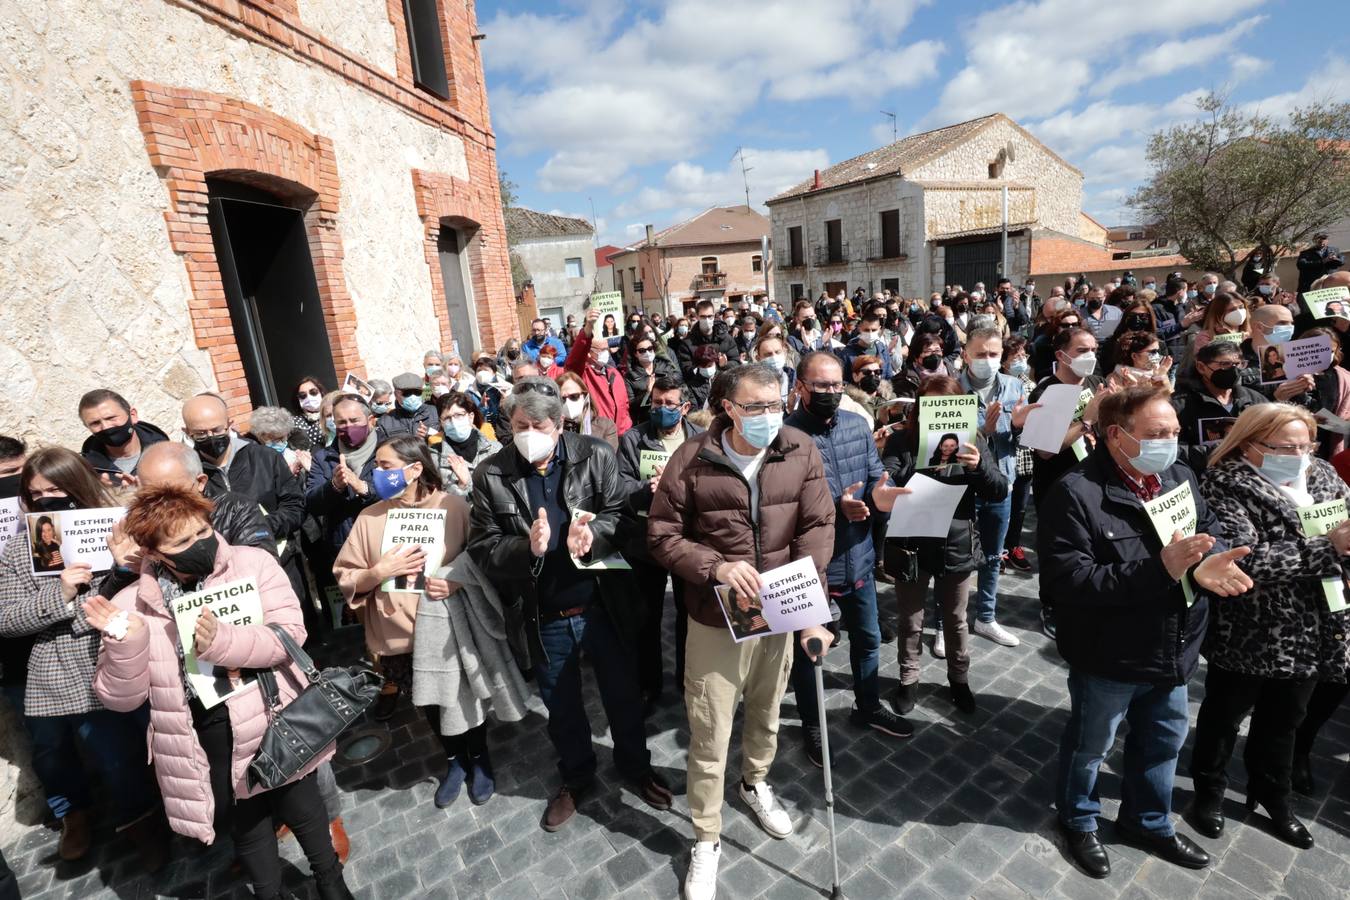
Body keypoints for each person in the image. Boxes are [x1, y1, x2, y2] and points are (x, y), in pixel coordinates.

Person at [85, 485, 354, 900]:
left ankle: (331, 883)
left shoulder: (253, 562)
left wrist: (223, 642)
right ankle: (270, 893)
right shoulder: (131, 603)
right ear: (155, 554)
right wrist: (126, 642)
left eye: (202, 531)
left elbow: (290, 636)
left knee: (305, 809)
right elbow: (120, 698)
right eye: (182, 542)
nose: (199, 544)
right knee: (248, 824)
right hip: (207, 731)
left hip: (273, 712)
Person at [1039, 384, 1253, 880]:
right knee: (1092, 745)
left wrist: (1207, 557)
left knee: (1163, 741)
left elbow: (1210, 522)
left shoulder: (1178, 474)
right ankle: (1079, 819)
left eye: (1175, 432)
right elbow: (1068, 581)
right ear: (1117, 435)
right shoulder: (1076, 492)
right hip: (1110, 653)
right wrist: (1159, 569)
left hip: (1175, 646)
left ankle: (1148, 821)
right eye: (1157, 434)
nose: (1171, 443)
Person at [648, 362, 835, 900]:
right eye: (756, 407)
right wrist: (716, 568)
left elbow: (818, 525)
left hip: (779, 610)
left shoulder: (798, 448)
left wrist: (808, 603)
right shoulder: (691, 459)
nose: (770, 416)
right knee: (709, 729)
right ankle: (706, 837)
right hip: (714, 618)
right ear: (727, 408)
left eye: (775, 404)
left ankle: (755, 782)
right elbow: (661, 535)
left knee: (767, 709)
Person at [129, 440, 349, 862]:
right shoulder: (141, 540)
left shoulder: (235, 509)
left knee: (304, 752)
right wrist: (132, 566)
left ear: (196, 481)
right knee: (240, 780)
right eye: (147, 492)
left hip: (261, 668)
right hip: (206, 692)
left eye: (170, 490)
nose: (161, 502)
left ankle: (329, 819)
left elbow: (257, 577)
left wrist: (202, 575)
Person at [467, 386, 672, 832]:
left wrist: (594, 535)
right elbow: (483, 547)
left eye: (538, 426)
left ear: (560, 425)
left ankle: (636, 766)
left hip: (602, 603)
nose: (528, 435)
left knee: (623, 695)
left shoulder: (594, 455)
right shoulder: (491, 474)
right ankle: (577, 777)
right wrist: (527, 548)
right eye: (519, 426)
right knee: (562, 707)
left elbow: (620, 512)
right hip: (544, 614)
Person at [1186, 404, 1350, 849]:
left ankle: (1274, 798)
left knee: (1285, 722)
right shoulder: (1225, 484)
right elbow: (1246, 559)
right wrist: (1328, 548)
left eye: (1306, 445)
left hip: (1316, 628)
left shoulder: (1322, 475)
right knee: (1224, 718)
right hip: (1251, 630)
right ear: (1250, 444)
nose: (1298, 455)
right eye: (1284, 447)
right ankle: (1209, 792)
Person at [335, 435, 525, 807]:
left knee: (462, 697)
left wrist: (457, 578)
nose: (377, 473)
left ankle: (478, 757)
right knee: (431, 703)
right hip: (400, 635)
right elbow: (346, 574)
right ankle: (453, 760)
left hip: (449, 630)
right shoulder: (369, 517)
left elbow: (483, 554)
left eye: (386, 466)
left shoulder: (453, 507)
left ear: (415, 468)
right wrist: (377, 571)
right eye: (376, 466)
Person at [0, 448, 162, 869]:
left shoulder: (117, 527)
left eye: (56, 489)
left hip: (118, 653)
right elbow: (6, 618)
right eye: (37, 494)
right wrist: (61, 593)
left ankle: (146, 818)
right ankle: (105, 820)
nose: (48, 499)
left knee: (126, 750)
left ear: (77, 486)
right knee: (77, 748)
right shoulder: (18, 551)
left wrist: (127, 568)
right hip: (58, 670)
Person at [785, 352, 912, 767]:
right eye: (821, 385)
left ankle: (868, 704)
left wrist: (883, 497)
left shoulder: (858, 425)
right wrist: (834, 509)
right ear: (800, 387)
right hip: (808, 564)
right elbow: (780, 506)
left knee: (868, 637)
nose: (830, 393)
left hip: (856, 552)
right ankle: (812, 725)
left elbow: (876, 475)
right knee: (811, 652)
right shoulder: (784, 437)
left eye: (836, 385)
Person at [884, 376, 1008, 713]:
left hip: (956, 541)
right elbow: (888, 478)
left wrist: (978, 467)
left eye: (946, 405)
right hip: (911, 541)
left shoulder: (974, 442)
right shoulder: (902, 441)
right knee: (911, 618)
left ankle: (959, 678)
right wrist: (904, 475)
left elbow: (999, 489)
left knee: (955, 618)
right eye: (930, 405)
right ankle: (909, 678)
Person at [182, 394, 312, 628]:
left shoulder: (265, 457)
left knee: (295, 637)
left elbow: (295, 506)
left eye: (216, 429)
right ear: (187, 432)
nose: (210, 437)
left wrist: (259, 527)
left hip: (280, 567)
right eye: (200, 434)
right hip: (225, 583)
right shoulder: (186, 472)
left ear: (229, 424)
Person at [616, 376, 703, 708]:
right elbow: (619, 487)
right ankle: (648, 684)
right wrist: (643, 490)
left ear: (684, 407)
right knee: (646, 617)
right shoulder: (634, 439)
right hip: (645, 542)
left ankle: (686, 678)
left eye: (669, 404)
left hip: (686, 540)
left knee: (688, 613)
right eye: (656, 403)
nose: (662, 409)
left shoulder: (698, 438)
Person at [960, 327, 1037, 647]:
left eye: (993, 354)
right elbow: (940, 444)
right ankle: (944, 622)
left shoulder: (1015, 387)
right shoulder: (951, 389)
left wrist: (1018, 427)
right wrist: (983, 430)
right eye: (980, 354)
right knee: (954, 559)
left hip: (1001, 485)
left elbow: (1026, 440)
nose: (987, 360)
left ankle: (986, 617)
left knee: (993, 556)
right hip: (961, 488)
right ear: (965, 355)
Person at [1029, 326, 1105, 637]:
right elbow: (1046, 450)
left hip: (1095, 480)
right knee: (1057, 550)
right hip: (1056, 484)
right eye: (1081, 351)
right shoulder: (1046, 392)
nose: (1090, 356)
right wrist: (1086, 420)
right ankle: (1051, 605)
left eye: (1093, 349)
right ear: (1061, 356)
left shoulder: (1095, 384)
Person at [306, 396, 380, 629]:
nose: (348, 427)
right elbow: (312, 502)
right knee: (365, 619)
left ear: (371, 420)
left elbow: (402, 490)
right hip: (347, 549)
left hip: (386, 543)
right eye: (341, 422)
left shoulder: (389, 449)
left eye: (354, 420)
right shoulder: (323, 458)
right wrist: (334, 487)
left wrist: (365, 488)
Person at [1172, 342, 1268, 473]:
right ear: (1201, 367)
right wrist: (1216, 453)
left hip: (1252, 477)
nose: (1233, 370)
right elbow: (1171, 449)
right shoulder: (1180, 405)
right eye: (1225, 364)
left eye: (1238, 364)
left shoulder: (1254, 399)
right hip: (1204, 479)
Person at [77, 388, 168, 484]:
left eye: (111, 418)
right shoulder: (87, 470)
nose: (105, 427)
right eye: (95, 423)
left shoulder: (166, 455)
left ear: (132, 415)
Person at [564, 309, 634, 434]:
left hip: (621, 436)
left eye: (606, 349)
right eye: (600, 349)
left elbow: (625, 406)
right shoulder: (581, 374)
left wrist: (626, 427)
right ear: (588, 351)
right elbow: (574, 360)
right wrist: (588, 327)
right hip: (598, 437)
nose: (604, 352)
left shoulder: (613, 373)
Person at [1000, 337, 1037, 571]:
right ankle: (998, 548)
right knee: (1000, 504)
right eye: (1016, 357)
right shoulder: (1000, 385)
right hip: (1003, 453)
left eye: (1024, 356)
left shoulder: (1031, 386)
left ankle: (1014, 545)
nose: (1021, 361)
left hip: (1025, 455)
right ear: (1004, 362)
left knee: (1020, 507)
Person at [432, 392, 500, 497]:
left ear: (470, 417)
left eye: (458, 415)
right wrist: (462, 486)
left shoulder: (494, 449)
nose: (453, 422)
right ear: (441, 422)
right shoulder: (434, 456)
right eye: (447, 418)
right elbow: (435, 500)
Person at [623, 330, 682, 428]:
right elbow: (631, 406)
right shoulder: (630, 377)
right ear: (635, 354)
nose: (647, 352)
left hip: (670, 417)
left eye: (650, 349)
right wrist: (648, 392)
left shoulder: (665, 367)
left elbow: (679, 388)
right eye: (642, 350)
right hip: (646, 422)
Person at [676, 299, 741, 378]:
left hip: (722, 384)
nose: (706, 320)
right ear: (697, 316)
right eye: (703, 317)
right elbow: (685, 369)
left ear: (714, 316)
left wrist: (725, 364)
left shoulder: (726, 339)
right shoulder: (687, 343)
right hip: (698, 386)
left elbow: (736, 362)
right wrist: (702, 368)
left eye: (709, 316)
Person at [557, 371, 619, 450]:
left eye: (574, 396)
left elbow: (607, 458)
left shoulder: (605, 426)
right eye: (563, 399)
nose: (568, 402)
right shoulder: (553, 428)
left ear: (585, 396)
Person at [377, 373, 438, 440]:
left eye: (417, 392)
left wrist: (431, 436)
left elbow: (446, 442)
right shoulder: (385, 422)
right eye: (407, 393)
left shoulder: (436, 412)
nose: (413, 397)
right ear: (396, 395)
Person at [290, 376, 330, 447]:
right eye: (303, 395)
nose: (309, 397)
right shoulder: (294, 422)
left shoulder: (332, 414)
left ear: (321, 392)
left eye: (313, 392)